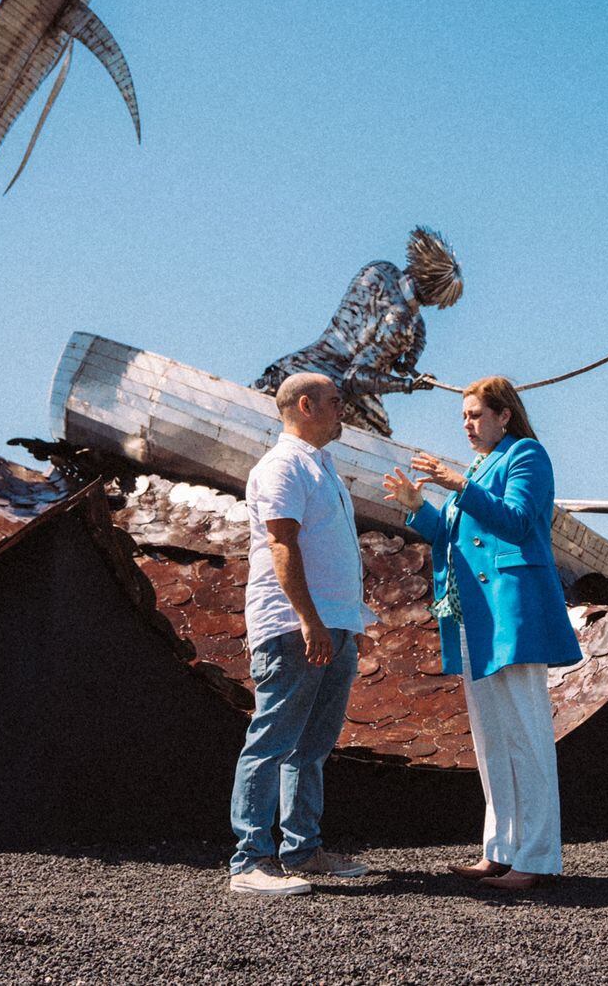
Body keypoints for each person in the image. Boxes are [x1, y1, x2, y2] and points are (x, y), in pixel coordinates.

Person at [381, 376, 582, 892]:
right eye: (463, 417)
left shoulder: (527, 455)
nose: (467, 425)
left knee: (527, 735)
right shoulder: (476, 466)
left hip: (511, 612)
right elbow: (448, 533)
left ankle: (536, 857)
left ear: (504, 415)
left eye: (475, 415)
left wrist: (456, 484)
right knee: (492, 739)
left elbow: (516, 521)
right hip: (475, 613)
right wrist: (415, 504)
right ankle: (500, 849)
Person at [227, 373, 376, 896]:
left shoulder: (323, 466)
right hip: (295, 628)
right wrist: (310, 621)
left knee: (311, 746)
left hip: (332, 626)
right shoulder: (283, 465)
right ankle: (250, 861)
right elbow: (281, 546)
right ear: (306, 405)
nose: (344, 412)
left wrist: (349, 623)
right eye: (336, 403)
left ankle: (302, 849)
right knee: (272, 740)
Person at [254, 226, 463, 437]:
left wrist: (405, 362)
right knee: (379, 437)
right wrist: (408, 385)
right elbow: (354, 378)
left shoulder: (380, 270)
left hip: (290, 369)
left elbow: (394, 356)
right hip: (333, 393)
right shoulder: (403, 324)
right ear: (435, 297)